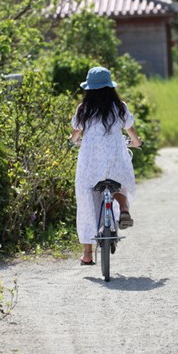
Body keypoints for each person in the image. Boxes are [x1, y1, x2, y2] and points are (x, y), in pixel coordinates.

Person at [70, 66, 143, 266]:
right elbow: (131, 132)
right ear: (111, 87)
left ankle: (87, 253)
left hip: (90, 165)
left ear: (89, 89)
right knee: (121, 183)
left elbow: (76, 134)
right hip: (114, 161)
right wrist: (137, 143)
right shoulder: (119, 107)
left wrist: (74, 140)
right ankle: (124, 208)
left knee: (86, 200)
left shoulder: (83, 109)